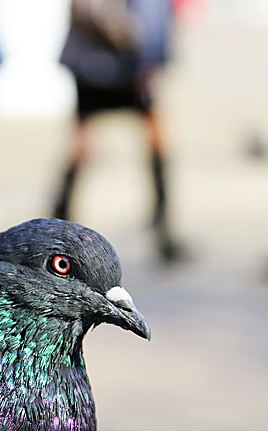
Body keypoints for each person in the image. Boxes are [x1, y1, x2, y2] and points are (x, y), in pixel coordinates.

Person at [53, 0, 183, 264]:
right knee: (88, 146)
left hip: (101, 61)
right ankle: (162, 232)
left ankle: (58, 226)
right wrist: (151, 59)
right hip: (121, 63)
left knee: (87, 146)